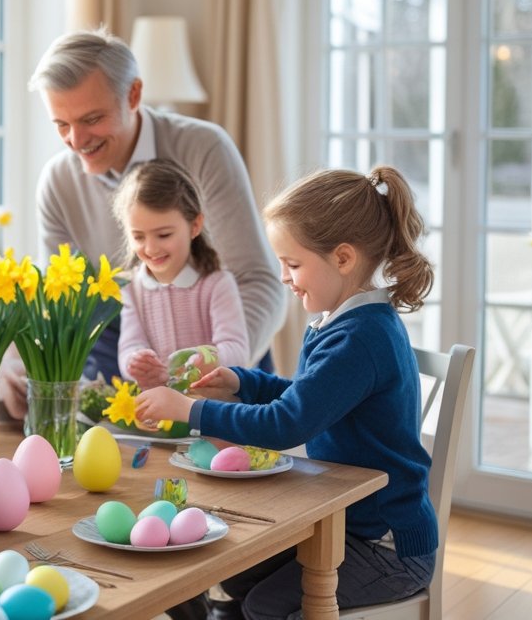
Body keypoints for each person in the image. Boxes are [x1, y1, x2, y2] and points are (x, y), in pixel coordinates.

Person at [134, 165, 438, 619]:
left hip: (386, 545)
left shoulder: (359, 339)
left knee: (266, 605)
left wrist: (190, 409)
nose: (283, 277)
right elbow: (304, 396)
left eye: (293, 264)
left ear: (343, 258)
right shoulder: (344, 324)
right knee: (234, 576)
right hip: (348, 520)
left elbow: (287, 422)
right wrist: (240, 380)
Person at [0, 27, 283, 416]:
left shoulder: (203, 149)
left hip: (224, 365)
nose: (76, 140)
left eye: (91, 119)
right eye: (61, 125)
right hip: (124, 373)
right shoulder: (57, 182)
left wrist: (211, 380)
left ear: (133, 95)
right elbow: (63, 307)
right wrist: (25, 368)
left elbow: (260, 284)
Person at [112, 159, 248, 388]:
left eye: (163, 235)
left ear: (195, 226)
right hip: (161, 411)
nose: (151, 248)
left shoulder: (217, 284)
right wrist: (137, 362)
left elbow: (237, 351)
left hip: (210, 407)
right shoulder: (132, 288)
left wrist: (198, 360)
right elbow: (128, 347)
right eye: (138, 237)